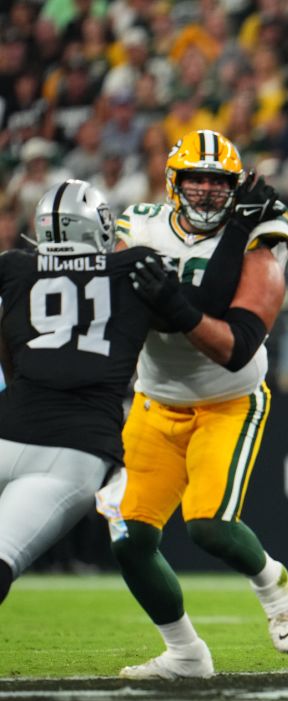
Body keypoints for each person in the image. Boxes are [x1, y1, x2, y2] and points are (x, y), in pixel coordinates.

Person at [98, 129, 288, 679]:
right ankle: (186, 655)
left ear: (235, 188)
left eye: (218, 182)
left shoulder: (262, 230)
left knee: (210, 526)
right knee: (130, 539)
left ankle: (271, 580)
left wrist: (170, 303)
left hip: (228, 400)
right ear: (175, 181)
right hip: (155, 399)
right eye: (197, 179)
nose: (208, 192)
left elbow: (234, 349)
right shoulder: (137, 223)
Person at [0, 180, 183, 607]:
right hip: (73, 449)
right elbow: (182, 327)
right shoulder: (137, 265)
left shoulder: (13, 267)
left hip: (8, 427)